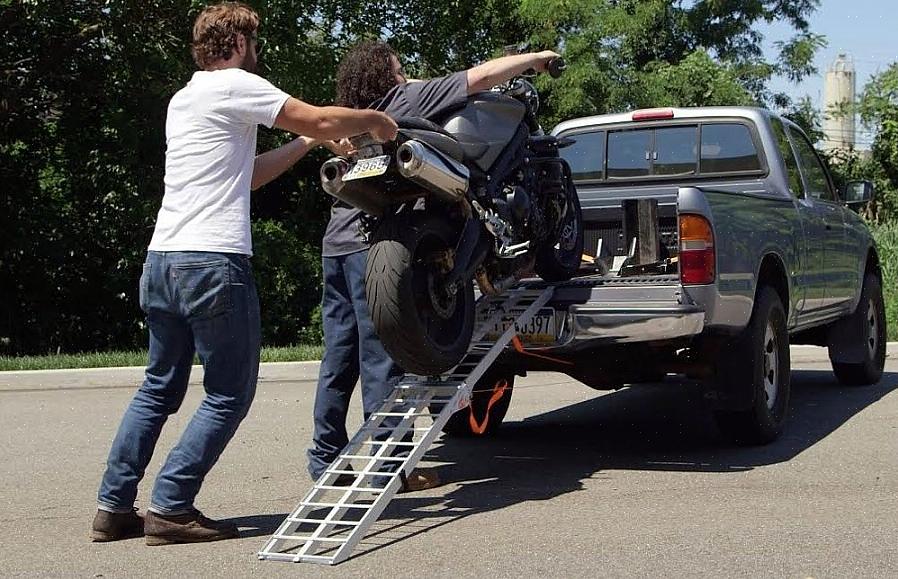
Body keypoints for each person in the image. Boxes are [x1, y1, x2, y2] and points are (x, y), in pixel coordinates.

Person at [91, 2, 397, 546]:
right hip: (212, 263)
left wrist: (306, 145)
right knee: (229, 392)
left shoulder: (184, 99)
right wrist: (373, 120)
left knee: (158, 387)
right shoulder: (234, 83)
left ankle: (114, 506)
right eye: (254, 44)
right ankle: (171, 505)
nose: (257, 54)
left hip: (163, 259)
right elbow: (323, 117)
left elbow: (248, 176)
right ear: (235, 44)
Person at [306, 40, 559, 490]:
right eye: (400, 69)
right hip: (373, 245)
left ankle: (325, 460)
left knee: (338, 360)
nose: (406, 76)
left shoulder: (349, 117)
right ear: (387, 76)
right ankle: (391, 467)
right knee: (384, 355)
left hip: (336, 244)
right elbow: (479, 77)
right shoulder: (404, 102)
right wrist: (534, 60)